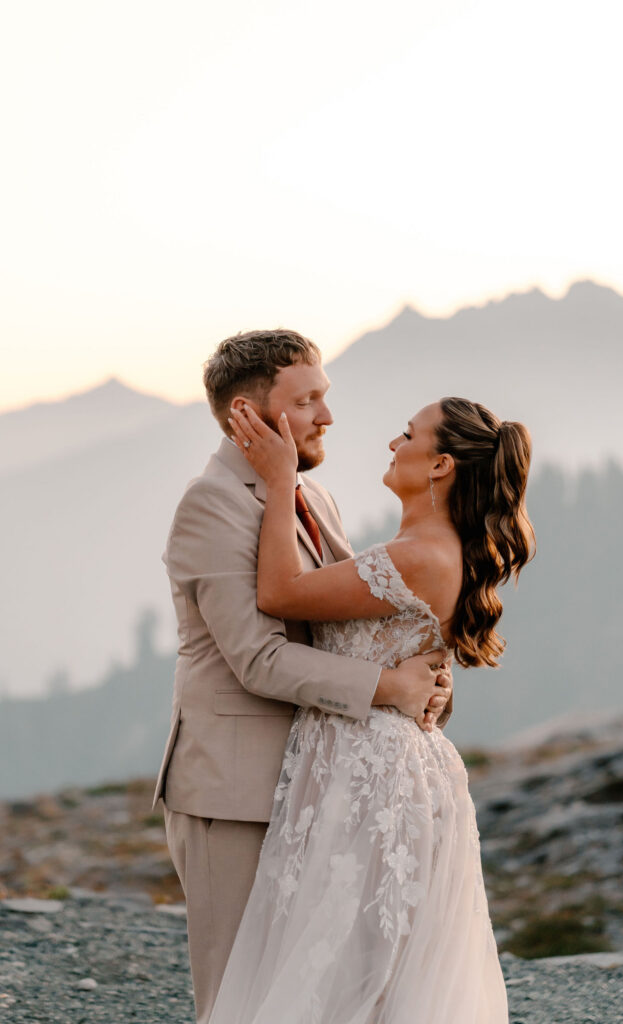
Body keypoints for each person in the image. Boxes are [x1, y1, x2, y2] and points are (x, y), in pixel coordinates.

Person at [153, 329, 453, 1024]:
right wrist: (390, 689)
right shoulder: (211, 505)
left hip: (317, 781)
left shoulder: (314, 500)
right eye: (308, 400)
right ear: (247, 417)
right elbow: (257, 659)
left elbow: (354, 624)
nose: (327, 416)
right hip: (232, 793)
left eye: (326, 396)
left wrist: (426, 677)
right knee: (239, 1000)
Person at [207, 395, 535, 1024]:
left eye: (407, 434)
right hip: (369, 761)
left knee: (343, 971)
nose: (392, 444)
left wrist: (279, 481)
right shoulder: (424, 547)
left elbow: (279, 593)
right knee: (354, 967)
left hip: (374, 775)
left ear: (440, 466)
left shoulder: (422, 555)